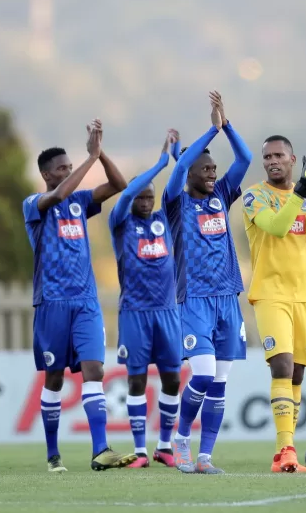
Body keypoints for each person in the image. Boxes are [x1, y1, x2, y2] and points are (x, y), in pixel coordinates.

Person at [22, 119, 132, 472]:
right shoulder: (35, 204)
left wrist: (99, 156)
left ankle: (101, 450)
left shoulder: (81, 203)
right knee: (54, 379)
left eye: (71, 166)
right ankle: (53, 453)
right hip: (52, 302)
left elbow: (119, 185)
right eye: (63, 168)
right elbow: (57, 195)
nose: (69, 172)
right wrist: (89, 159)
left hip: (85, 300)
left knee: (95, 369)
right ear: (47, 175)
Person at [241, 136, 306, 473]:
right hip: (270, 294)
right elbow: (278, 227)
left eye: (279, 155)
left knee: (296, 375)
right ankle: (285, 450)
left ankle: (285, 450)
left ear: (292, 158)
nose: (272, 161)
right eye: (267, 156)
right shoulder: (256, 196)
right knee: (282, 366)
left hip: (303, 296)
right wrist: (301, 191)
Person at [164, 91, 252, 474]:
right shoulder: (175, 202)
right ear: (190, 173)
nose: (213, 173)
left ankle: (204, 457)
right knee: (201, 374)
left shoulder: (221, 195)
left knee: (219, 381)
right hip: (195, 299)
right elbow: (182, 163)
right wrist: (210, 130)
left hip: (228, 299)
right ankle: (179, 440)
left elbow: (245, 158)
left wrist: (226, 126)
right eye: (207, 169)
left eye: (215, 168)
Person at [109, 130, 183, 468]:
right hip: (135, 313)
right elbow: (124, 197)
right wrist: (157, 164)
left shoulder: (164, 220)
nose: (145, 202)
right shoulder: (121, 223)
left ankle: (164, 445)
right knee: (136, 380)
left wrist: (176, 155)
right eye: (140, 196)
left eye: (149, 197)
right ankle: (140, 450)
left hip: (167, 312)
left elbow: (178, 184)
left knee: (171, 379)